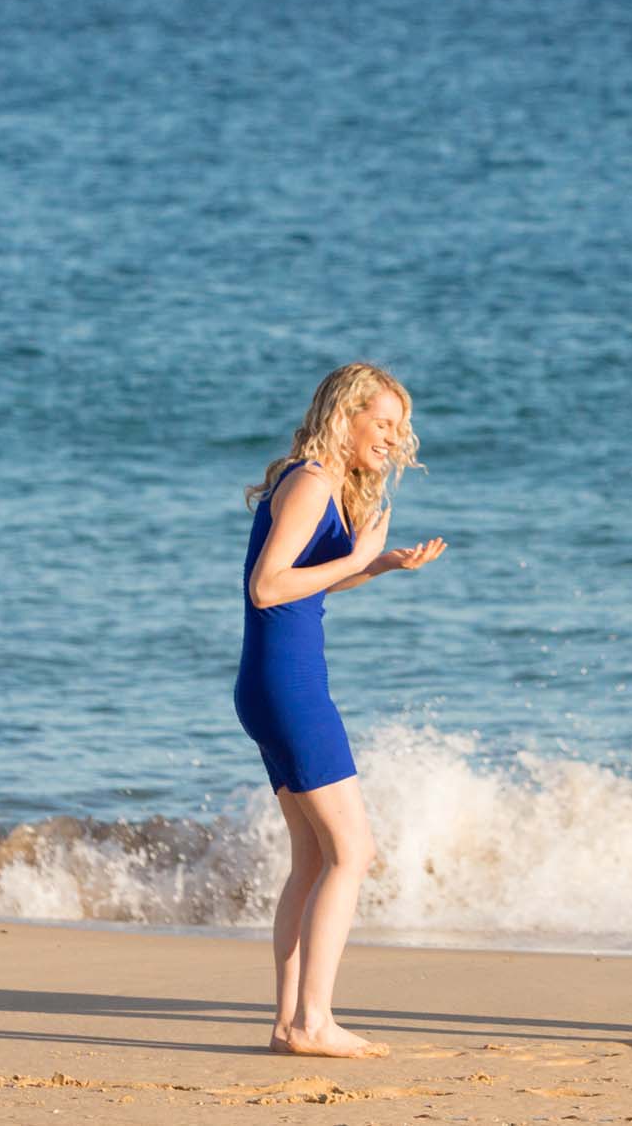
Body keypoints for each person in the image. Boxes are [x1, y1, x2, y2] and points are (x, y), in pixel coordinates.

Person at [236, 361, 445, 1058]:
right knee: (354, 853)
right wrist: (360, 550)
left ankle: (290, 1022)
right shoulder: (312, 481)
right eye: (381, 422)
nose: (393, 437)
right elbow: (268, 587)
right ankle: (311, 1020)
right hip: (288, 687)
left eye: (399, 426)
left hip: (275, 683)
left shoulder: (316, 481)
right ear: (345, 415)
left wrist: (377, 566)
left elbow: (301, 587)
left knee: (312, 857)